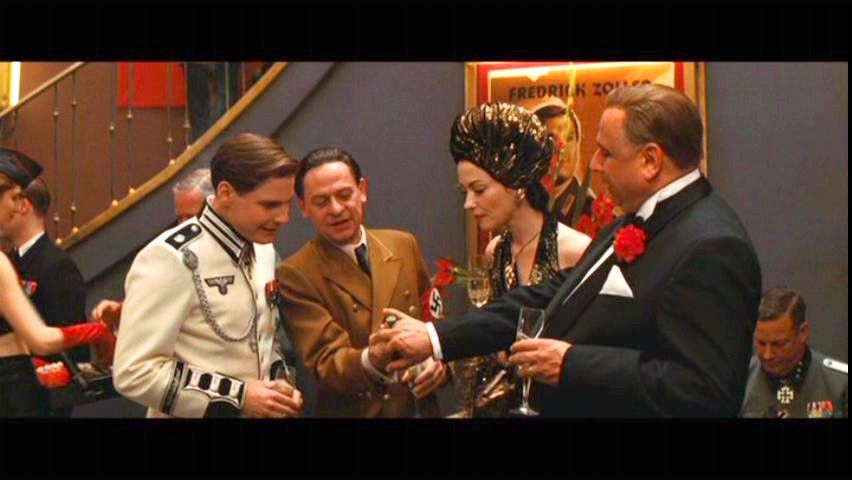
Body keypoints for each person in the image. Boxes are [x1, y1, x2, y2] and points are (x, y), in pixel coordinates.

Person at [372, 84, 762, 417]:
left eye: (606, 153)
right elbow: (555, 294)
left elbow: (704, 390)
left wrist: (571, 364)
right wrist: (435, 336)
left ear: (650, 160)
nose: (594, 164)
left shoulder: (712, 246)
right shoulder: (643, 217)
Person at [112, 133, 303, 418]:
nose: (284, 217)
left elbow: (263, 340)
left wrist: (279, 388)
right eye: (269, 205)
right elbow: (133, 372)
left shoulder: (263, 248)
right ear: (226, 193)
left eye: (287, 203)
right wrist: (238, 397)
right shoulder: (169, 257)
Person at [276, 147, 448, 417]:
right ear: (303, 207)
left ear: (362, 190)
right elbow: (326, 362)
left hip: (418, 406)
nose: (336, 209)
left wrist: (439, 359)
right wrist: (374, 358)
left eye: (344, 195)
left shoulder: (402, 244)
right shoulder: (296, 273)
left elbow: (432, 317)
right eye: (321, 201)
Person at [450, 102, 590, 416]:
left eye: (479, 189)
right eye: (464, 192)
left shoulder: (575, 251)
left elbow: (590, 354)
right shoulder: (495, 251)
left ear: (517, 186)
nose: (469, 204)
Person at [0, 148, 114, 417]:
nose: (15, 206)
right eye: (12, 197)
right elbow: (41, 340)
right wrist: (98, 333)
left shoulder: (52, 264)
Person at [91, 167, 213, 330]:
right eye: (180, 218)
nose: (182, 227)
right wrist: (121, 310)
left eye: (190, 218)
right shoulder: (170, 255)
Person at [740, 287, 847, 418]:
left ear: (803, 332)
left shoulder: (840, 384)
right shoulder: (739, 381)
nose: (768, 355)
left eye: (778, 344)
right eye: (761, 343)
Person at [532, 97, 595, 227]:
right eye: (551, 139)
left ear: (577, 144)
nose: (562, 147)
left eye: (569, 138)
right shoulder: (524, 205)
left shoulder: (589, 208)